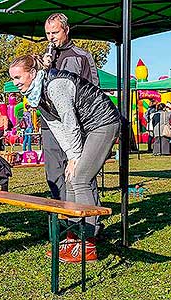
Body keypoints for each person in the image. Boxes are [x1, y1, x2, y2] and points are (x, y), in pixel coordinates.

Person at [9, 55, 120, 263]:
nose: (15, 83)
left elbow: (70, 123)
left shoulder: (55, 85)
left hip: (103, 122)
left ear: (32, 73)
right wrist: (71, 156)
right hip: (86, 126)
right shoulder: (36, 95)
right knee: (69, 177)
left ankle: (88, 243)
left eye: (17, 77)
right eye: (12, 79)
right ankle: (72, 237)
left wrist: (76, 156)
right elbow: (57, 127)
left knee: (80, 178)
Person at [42, 13, 100, 204]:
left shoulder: (82, 56)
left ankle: (91, 226)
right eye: (48, 33)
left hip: (76, 124)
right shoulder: (43, 60)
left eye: (55, 32)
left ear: (66, 30)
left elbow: (94, 91)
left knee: (81, 172)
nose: (51, 37)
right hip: (49, 125)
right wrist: (43, 70)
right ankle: (66, 222)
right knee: (55, 173)